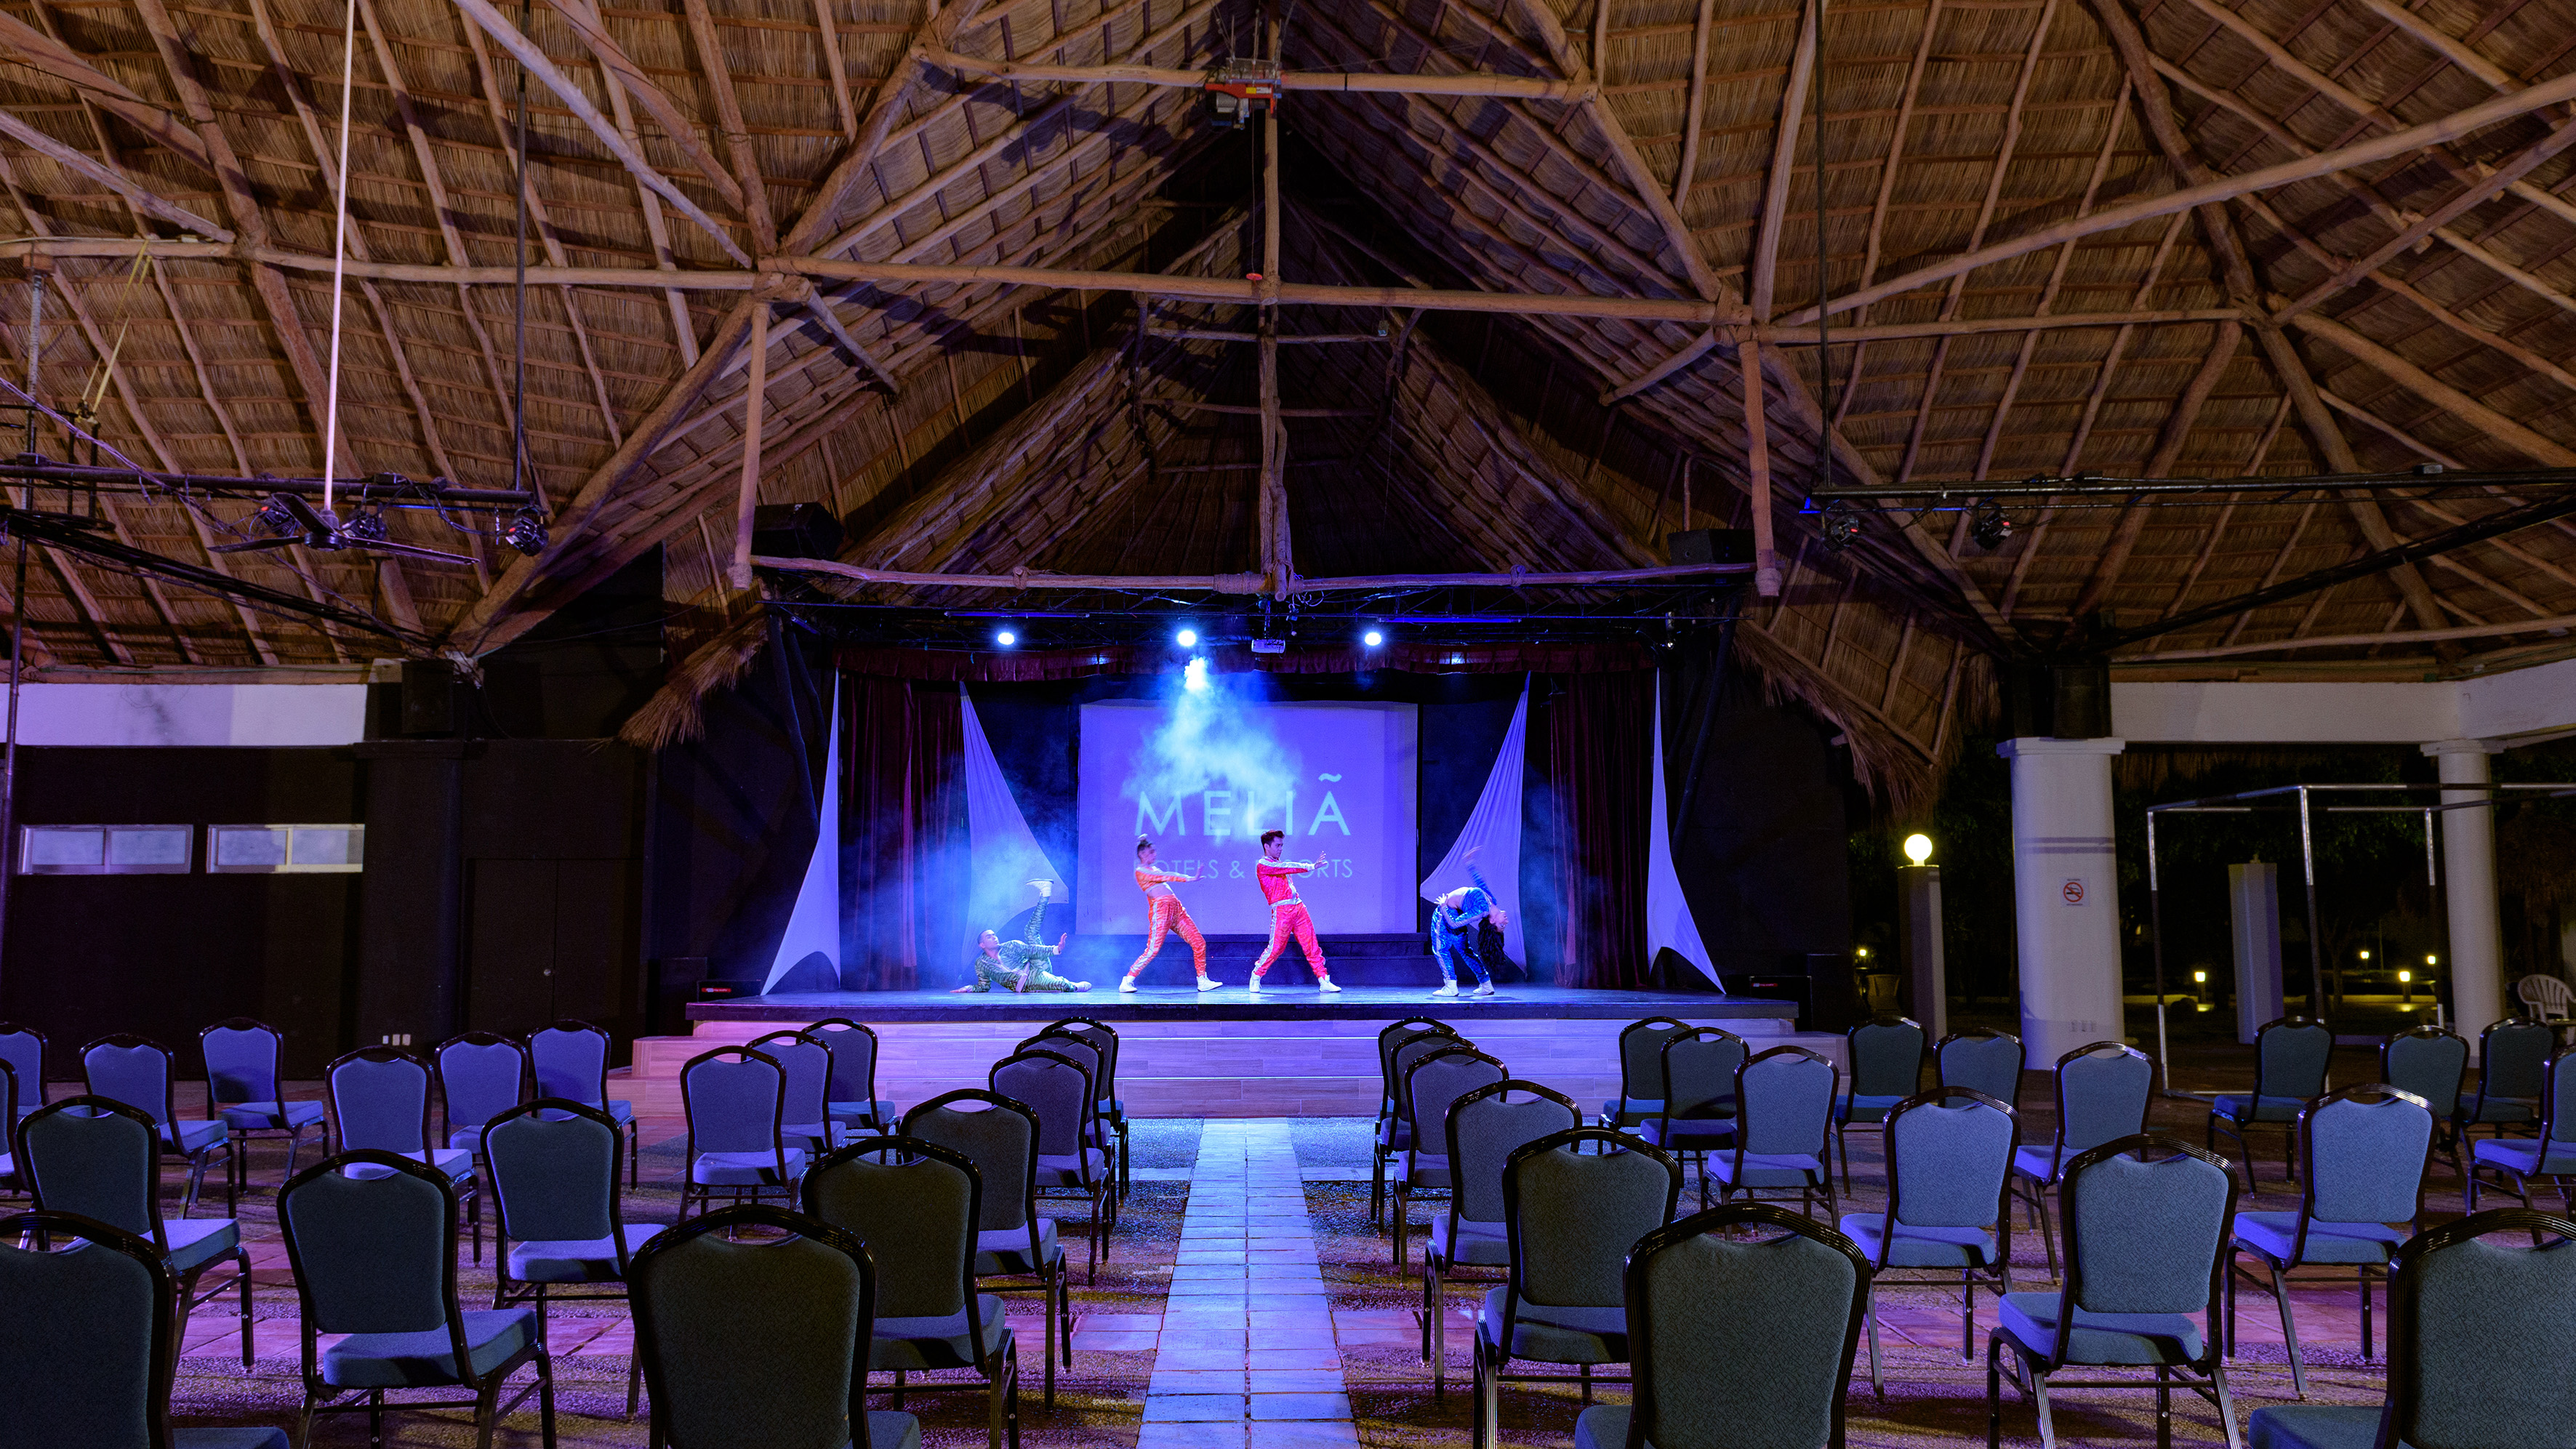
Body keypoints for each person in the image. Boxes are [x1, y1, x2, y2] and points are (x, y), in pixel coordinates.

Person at [1120, 835, 1223, 992]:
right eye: (1151, 852)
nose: (1155, 854)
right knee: (1153, 950)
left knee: (1199, 942)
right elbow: (1166, 876)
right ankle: (1127, 980)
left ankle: (1202, 981)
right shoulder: (1141, 871)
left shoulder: (1154, 869)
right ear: (1142, 854)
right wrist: (1190, 878)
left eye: (1155, 851)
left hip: (1176, 909)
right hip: (1161, 910)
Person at [1249, 829, 1340, 995]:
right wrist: (1311, 866)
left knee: (1311, 945)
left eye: (1282, 845)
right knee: (1276, 948)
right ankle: (1256, 976)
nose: (1280, 849)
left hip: (1298, 907)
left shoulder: (1277, 863)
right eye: (1277, 845)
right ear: (1267, 846)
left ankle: (1323, 980)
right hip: (1282, 911)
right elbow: (1286, 867)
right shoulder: (1263, 864)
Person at [955, 880, 1089, 993]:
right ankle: (1063, 985)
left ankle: (1045, 893)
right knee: (1056, 987)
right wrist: (968, 989)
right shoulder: (981, 963)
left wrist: (1056, 949)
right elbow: (983, 986)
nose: (994, 937)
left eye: (994, 935)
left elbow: (1033, 950)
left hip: (1035, 971)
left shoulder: (1011, 946)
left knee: (1030, 932)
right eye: (989, 937)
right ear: (982, 945)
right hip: (1023, 987)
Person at [1428, 846, 1505, 998]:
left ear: (1492, 921)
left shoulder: (1482, 910)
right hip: (1454, 912)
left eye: (1501, 926)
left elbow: (1455, 923)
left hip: (1446, 914)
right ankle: (1486, 984)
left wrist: (1443, 907)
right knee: (1465, 951)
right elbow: (1481, 883)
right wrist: (1469, 863)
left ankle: (1451, 986)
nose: (1506, 923)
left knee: (1441, 949)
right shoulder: (1492, 903)